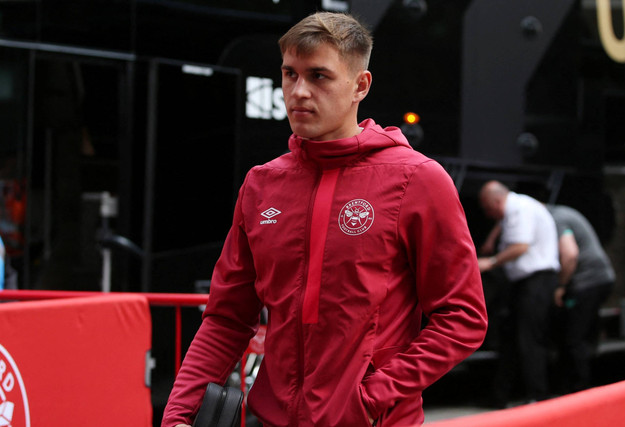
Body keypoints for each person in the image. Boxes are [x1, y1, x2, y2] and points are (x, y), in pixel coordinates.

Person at [162, 12, 487, 427]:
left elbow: (462, 317)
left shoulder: (416, 179)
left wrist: (372, 397)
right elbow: (227, 318)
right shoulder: (262, 184)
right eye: (289, 74)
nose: (298, 92)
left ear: (360, 85)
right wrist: (178, 415)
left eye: (318, 76)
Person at [477, 180, 559, 406]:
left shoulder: (520, 209)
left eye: (487, 208)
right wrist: (493, 238)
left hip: (537, 281)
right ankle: (500, 396)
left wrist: (491, 262)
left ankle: (538, 397)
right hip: (526, 282)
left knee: (529, 339)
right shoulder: (518, 207)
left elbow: (520, 246)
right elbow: (505, 225)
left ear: (496, 201)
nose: (487, 214)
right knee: (511, 339)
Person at [547, 204, 615, 393]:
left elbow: (570, 254)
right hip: (600, 279)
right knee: (582, 335)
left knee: (573, 338)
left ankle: (579, 390)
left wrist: (561, 286)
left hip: (588, 282)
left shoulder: (556, 218)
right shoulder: (563, 212)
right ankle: (582, 387)